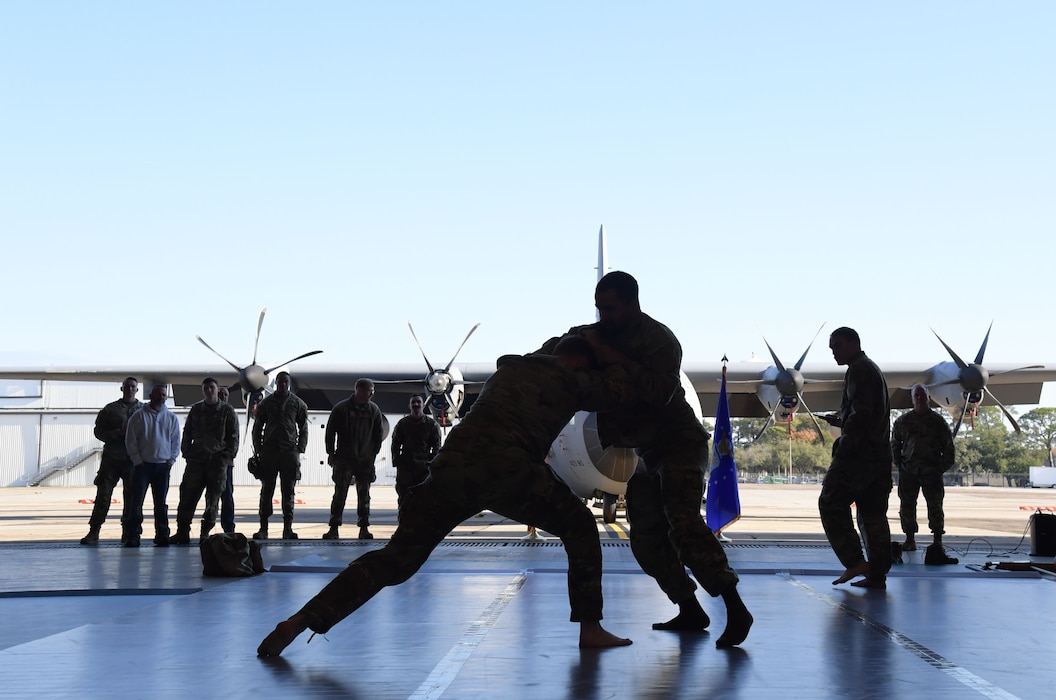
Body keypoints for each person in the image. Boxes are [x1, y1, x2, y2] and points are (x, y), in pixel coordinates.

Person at [258, 335, 636, 657]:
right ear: (577, 363)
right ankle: (590, 629)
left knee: (396, 559)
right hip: (509, 469)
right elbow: (621, 388)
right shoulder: (570, 379)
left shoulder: (508, 369)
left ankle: (303, 618)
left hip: (450, 468)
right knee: (581, 529)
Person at [536, 271, 752, 648]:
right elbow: (557, 354)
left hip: (679, 444)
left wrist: (608, 356)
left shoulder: (659, 340)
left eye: (612, 308)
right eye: (599, 308)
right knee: (647, 540)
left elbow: (661, 393)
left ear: (633, 304)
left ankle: (735, 608)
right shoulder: (595, 332)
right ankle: (689, 607)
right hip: (648, 453)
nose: (604, 316)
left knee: (683, 523)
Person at [818, 327, 893, 588]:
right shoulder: (872, 369)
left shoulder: (858, 370)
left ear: (853, 344)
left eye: (837, 346)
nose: (833, 353)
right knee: (872, 514)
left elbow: (861, 417)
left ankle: (854, 561)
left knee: (830, 502)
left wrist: (844, 450)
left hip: (858, 455)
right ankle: (877, 572)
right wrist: (841, 420)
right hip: (879, 456)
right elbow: (870, 414)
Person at [892, 384, 958, 564]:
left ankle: (937, 541)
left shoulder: (938, 422)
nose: (920, 399)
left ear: (928, 398)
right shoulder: (903, 421)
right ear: (912, 399)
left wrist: (939, 468)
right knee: (906, 506)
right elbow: (895, 443)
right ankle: (910, 539)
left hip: (931, 471)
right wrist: (898, 462)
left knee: (935, 507)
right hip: (909, 471)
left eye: (922, 395)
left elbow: (949, 448)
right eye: (916, 396)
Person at [171, 378, 240, 544]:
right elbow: (187, 433)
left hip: (217, 463)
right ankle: (182, 532)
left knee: (213, 501)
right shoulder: (196, 410)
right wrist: (187, 453)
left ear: (217, 390)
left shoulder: (227, 411)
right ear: (203, 391)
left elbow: (233, 437)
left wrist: (226, 457)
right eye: (206, 388)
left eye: (212, 387)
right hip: (196, 462)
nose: (209, 390)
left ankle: (205, 533)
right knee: (187, 497)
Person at [80, 377, 142, 545]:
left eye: (133, 387)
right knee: (103, 496)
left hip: (133, 461)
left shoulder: (143, 410)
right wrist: (116, 433)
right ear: (122, 389)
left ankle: (128, 532)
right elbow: (98, 431)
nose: (130, 389)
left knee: (132, 498)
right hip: (111, 461)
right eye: (127, 386)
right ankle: (94, 531)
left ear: (137, 389)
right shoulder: (110, 409)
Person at [323, 378, 384, 540]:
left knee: (364, 496)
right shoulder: (341, 408)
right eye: (369, 390)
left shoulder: (374, 410)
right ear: (359, 390)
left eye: (372, 391)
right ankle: (334, 528)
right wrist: (331, 453)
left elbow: (379, 435)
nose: (372, 394)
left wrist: (372, 455)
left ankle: (364, 528)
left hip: (365, 460)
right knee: (339, 495)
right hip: (344, 459)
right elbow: (330, 432)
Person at [251, 371, 308, 540]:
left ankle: (288, 528)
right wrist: (259, 448)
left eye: (286, 382)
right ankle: (263, 528)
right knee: (266, 490)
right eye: (280, 382)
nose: (283, 385)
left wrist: (299, 449)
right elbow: (257, 427)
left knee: (288, 491)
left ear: (289, 383)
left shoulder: (298, 404)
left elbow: (303, 428)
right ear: (276, 383)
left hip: (289, 453)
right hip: (269, 452)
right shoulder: (266, 404)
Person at [124, 383, 181, 548]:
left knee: (161, 503)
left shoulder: (171, 418)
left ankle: (163, 535)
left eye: (164, 395)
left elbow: (175, 441)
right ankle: (133, 536)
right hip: (142, 467)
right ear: (151, 396)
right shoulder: (138, 416)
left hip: (162, 466)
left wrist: (171, 460)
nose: (162, 398)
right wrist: (137, 460)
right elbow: (131, 440)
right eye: (159, 395)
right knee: (136, 503)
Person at [390, 394, 442, 517]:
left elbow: (437, 446)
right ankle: (403, 523)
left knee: (425, 498)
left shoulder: (431, 424)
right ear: (409, 406)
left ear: (423, 405)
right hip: (406, 468)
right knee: (404, 498)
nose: (416, 404)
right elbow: (395, 444)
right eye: (413, 402)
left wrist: (432, 463)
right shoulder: (402, 424)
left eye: (418, 402)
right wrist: (397, 462)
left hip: (424, 468)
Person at [217, 386, 239, 533]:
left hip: (225, 462)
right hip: (207, 460)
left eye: (226, 394)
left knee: (227, 496)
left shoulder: (231, 413)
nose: (223, 397)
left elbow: (234, 437)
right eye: (221, 394)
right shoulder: (205, 411)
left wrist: (230, 457)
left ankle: (228, 527)